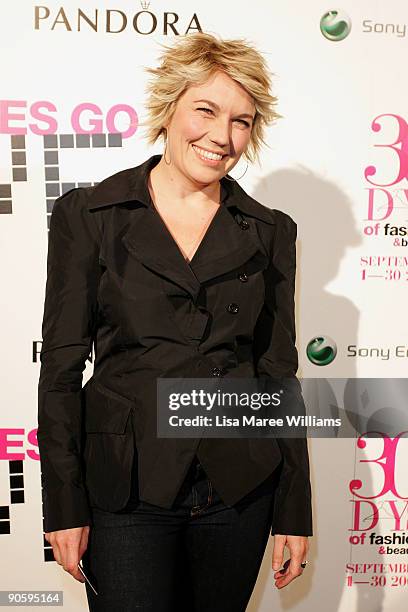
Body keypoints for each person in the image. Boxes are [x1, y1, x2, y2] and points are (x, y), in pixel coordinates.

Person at [37, 32, 313, 611]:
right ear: (169, 108)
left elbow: (278, 374)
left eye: (242, 120)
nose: (222, 136)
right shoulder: (89, 215)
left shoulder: (269, 230)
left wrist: (293, 509)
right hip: (126, 489)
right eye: (206, 110)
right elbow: (60, 372)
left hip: (237, 488)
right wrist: (63, 504)